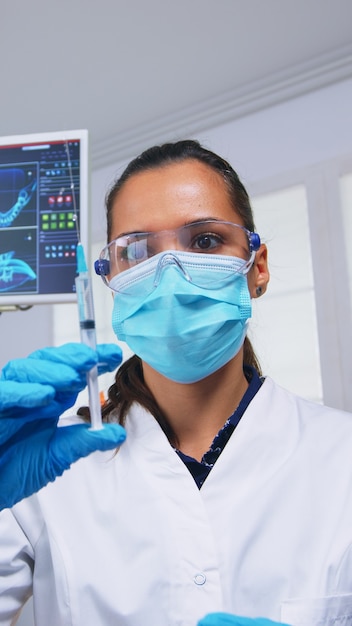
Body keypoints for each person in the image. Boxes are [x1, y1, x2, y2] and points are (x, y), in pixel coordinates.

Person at [0, 140, 352, 626]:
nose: (168, 274)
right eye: (137, 251)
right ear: (109, 278)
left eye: (205, 240)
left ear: (259, 267)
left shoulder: (342, 456)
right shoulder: (43, 469)